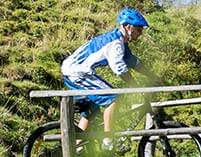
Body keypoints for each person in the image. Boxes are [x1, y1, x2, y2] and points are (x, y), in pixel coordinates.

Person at [60, 8, 158, 149]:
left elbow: (133, 62)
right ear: (127, 27)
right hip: (77, 73)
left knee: (91, 111)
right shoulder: (115, 43)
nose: (140, 33)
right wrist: (134, 85)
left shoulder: (121, 42)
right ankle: (108, 142)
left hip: (75, 70)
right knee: (113, 98)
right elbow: (119, 68)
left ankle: (77, 147)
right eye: (138, 29)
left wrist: (153, 76)